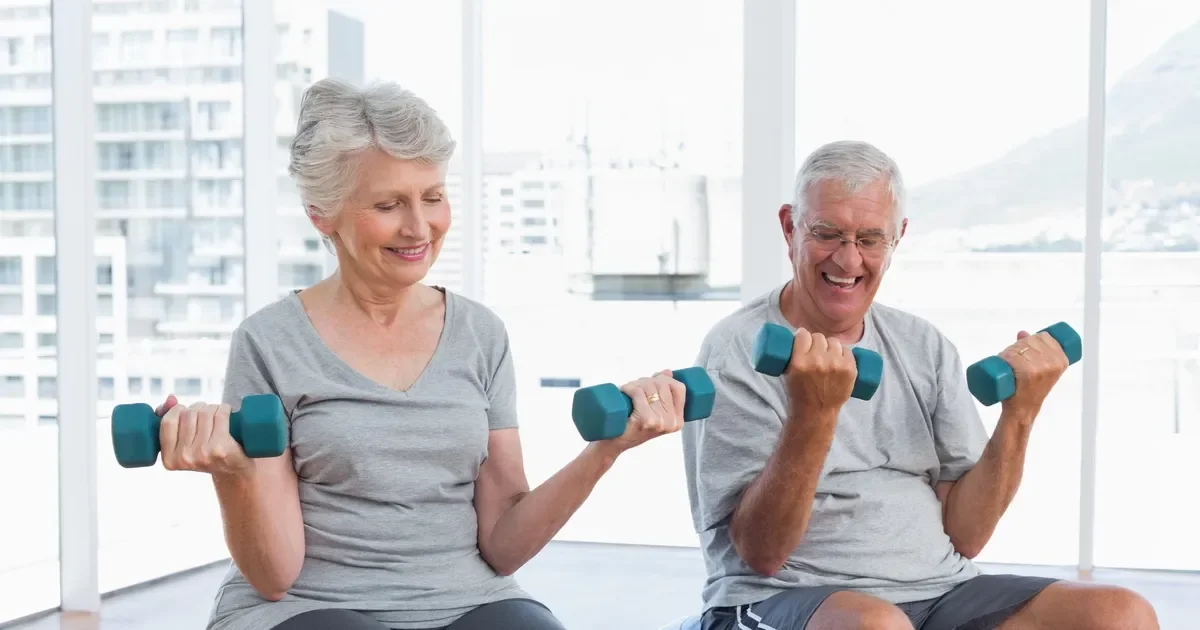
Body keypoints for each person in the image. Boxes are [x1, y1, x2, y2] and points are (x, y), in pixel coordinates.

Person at [149, 78, 689, 630]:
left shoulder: (481, 334)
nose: (419, 227)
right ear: (321, 215)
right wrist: (234, 473)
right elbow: (274, 575)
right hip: (310, 606)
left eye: (432, 197)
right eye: (388, 204)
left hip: (462, 597)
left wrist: (605, 452)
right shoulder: (269, 341)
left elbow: (503, 543)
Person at [680, 140, 1160, 630]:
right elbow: (761, 553)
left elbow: (967, 536)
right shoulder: (737, 350)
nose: (848, 261)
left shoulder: (922, 345)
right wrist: (815, 415)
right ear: (789, 227)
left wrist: (1020, 414)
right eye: (827, 234)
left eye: (870, 239)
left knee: (1121, 615)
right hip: (782, 596)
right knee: (878, 626)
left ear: (898, 237)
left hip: (940, 590)